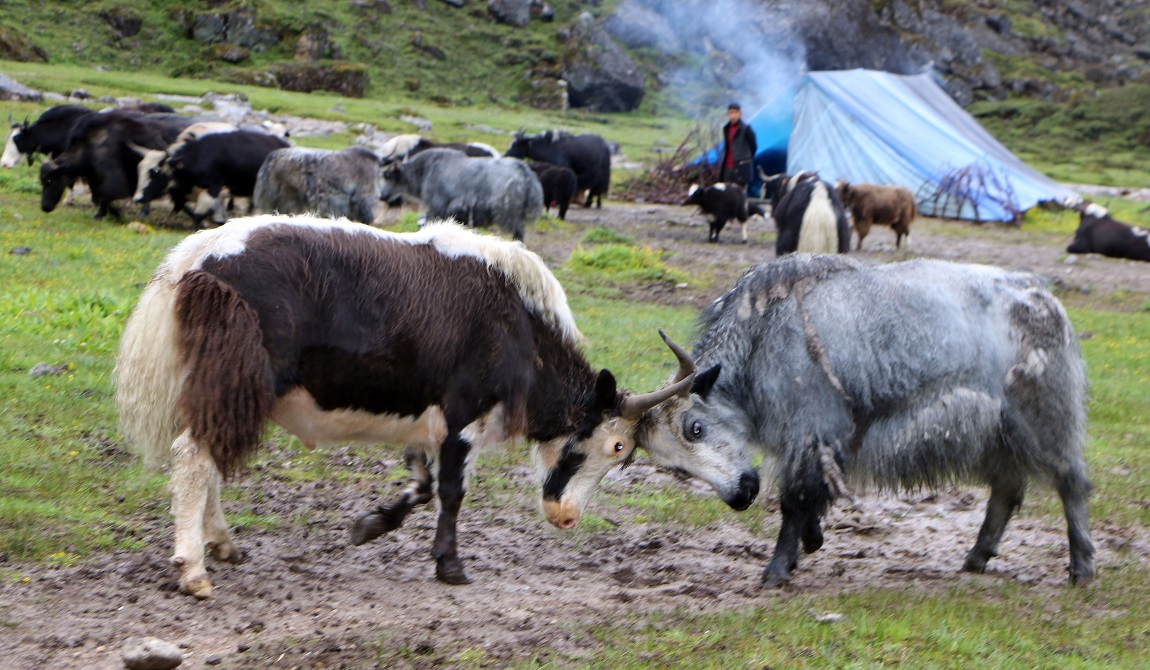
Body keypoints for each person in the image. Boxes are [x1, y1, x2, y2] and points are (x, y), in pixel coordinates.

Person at [719, 102, 757, 193]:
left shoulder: (746, 128)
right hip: (727, 166)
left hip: (741, 166)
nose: (733, 115)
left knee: (739, 194)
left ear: (740, 114)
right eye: (731, 113)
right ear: (728, 114)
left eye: (736, 113)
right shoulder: (726, 128)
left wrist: (745, 158)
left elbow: (753, 146)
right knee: (727, 194)